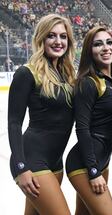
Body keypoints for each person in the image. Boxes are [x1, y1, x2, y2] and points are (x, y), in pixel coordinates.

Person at [7, 14, 75, 214]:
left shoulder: (67, 75)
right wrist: (21, 167)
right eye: (51, 36)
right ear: (41, 39)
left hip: (55, 162)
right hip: (31, 161)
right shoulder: (27, 73)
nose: (58, 41)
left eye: (63, 36)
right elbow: (14, 123)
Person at [65, 26, 112, 214]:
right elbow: (82, 128)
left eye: (109, 42)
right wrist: (93, 171)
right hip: (85, 165)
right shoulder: (89, 82)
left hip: (101, 162)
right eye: (98, 44)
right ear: (90, 51)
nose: (105, 48)